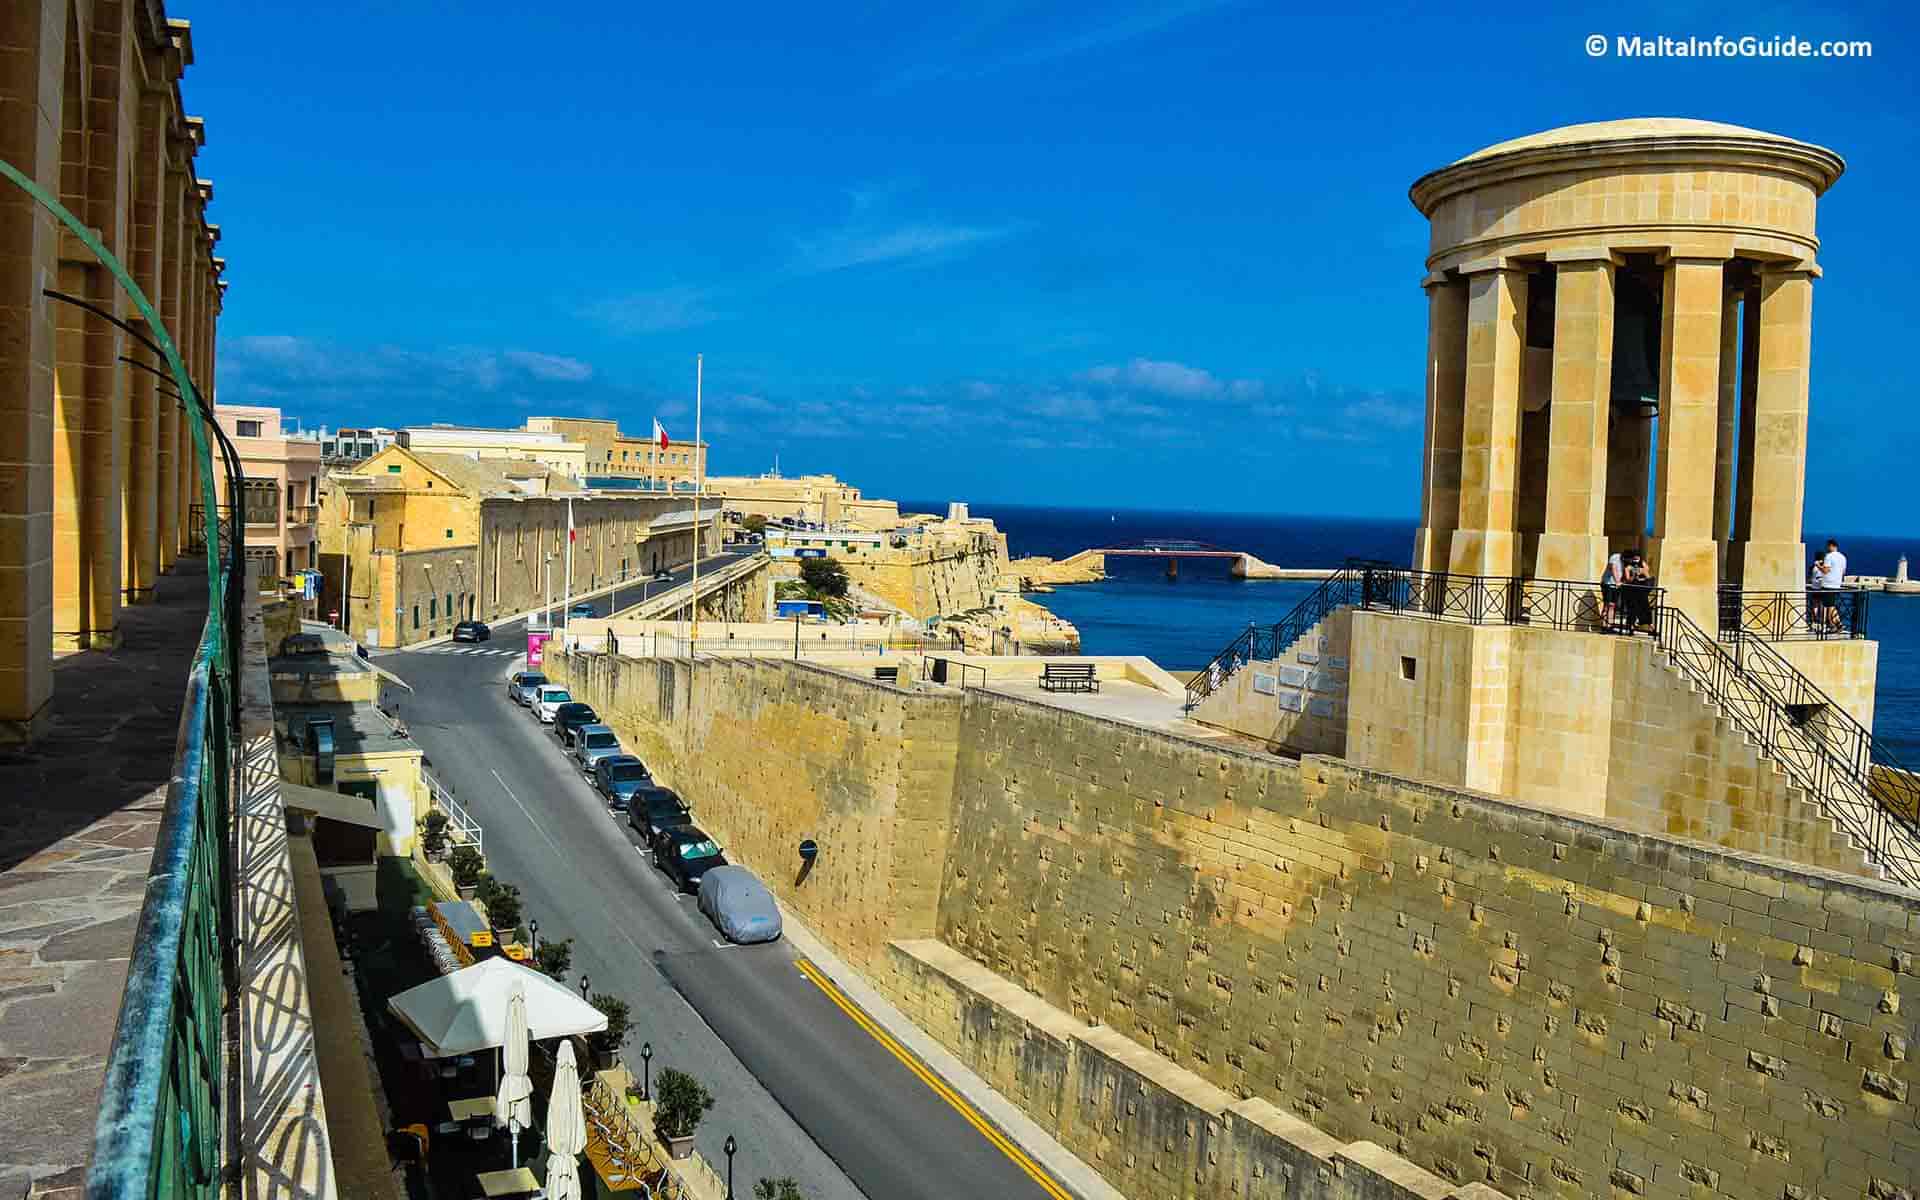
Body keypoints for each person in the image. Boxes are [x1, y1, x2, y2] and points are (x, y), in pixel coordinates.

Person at [1818, 537, 1848, 631]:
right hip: (1837, 584)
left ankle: (1833, 625)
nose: (1826, 548)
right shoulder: (1843, 557)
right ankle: (1837, 624)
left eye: (1827, 546)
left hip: (1827, 584)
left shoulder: (1829, 556)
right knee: (1831, 604)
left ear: (1831, 546)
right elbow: (1843, 572)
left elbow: (1825, 570)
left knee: (1828, 605)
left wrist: (1818, 566)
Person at [1599, 551, 1624, 630]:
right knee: (1607, 604)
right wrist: (1617, 581)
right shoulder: (1615, 557)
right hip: (1608, 584)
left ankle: (1610, 625)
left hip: (1616, 586)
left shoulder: (1627, 562)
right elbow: (1613, 568)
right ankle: (1604, 624)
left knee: (1613, 605)